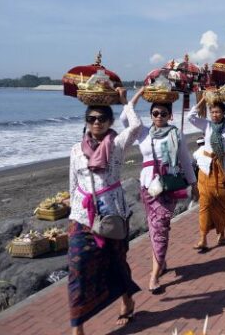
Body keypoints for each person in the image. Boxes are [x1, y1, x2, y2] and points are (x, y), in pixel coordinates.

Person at [67, 87, 143, 334]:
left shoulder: (118, 144)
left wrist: (125, 103)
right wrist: (72, 210)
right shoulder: (76, 150)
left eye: (101, 118)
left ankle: (126, 301)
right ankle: (77, 327)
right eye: (91, 118)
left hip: (112, 214)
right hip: (82, 216)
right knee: (77, 269)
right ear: (86, 122)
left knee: (116, 260)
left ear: (110, 121)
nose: (96, 122)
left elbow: (136, 127)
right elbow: (72, 184)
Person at [124, 97, 196, 294]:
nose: (159, 117)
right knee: (154, 227)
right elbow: (125, 119)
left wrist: (193, 183)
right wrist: (135, 95)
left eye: (164, 114)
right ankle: (161, 261)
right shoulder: (143, 133)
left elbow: (186, 160)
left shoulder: (176, 133)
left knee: (160, 225)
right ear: (150, 115)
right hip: (148, 186)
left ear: (170, 116)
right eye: (155, 113)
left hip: (169, 185)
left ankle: (154, 274)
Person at [188, 97, 225, 251]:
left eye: (218, 112)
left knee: (223, 202)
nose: (215, 114)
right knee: (205, 202)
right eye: (212, 111)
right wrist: (203, 99)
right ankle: (203, 237)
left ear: (223, 113)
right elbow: (190, 117)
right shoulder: (207, 125)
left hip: (223, 167)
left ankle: (221, 233)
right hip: (206, 167)